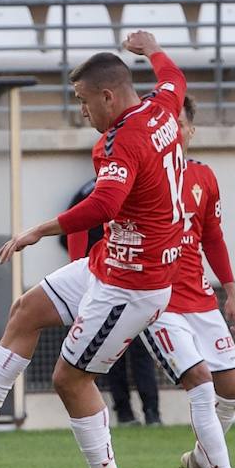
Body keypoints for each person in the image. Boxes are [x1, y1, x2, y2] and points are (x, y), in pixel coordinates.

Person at [0, 31, 194, 468]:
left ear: (107, 96)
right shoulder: (162, 108)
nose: (82, 112)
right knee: (27, 309)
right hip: (110, 260)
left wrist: (40, 229)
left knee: (70, 378)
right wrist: (153, 49)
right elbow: (174, 78)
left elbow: (106, 205)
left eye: (83, 102)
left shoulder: (120, 140)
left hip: (133, 282)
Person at [138, 96, 235, 468]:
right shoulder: (142, 174)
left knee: (233, 390)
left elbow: (213, 237)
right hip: (160, 302)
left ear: (189, 131)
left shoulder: (203, 177)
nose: (174, 132)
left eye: (180, 124)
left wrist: (231, 291)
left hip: (201, 299)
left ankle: (199, 460)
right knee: (203, 387)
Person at [64, 179, 162, 427]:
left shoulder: (139, 186)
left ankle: (151, 411)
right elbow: (71, 228)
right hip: (103, 287)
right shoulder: (89, 192)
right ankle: (127, 413)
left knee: (141, 350)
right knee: (109, 357)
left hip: (136, 286)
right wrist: (83, 273)